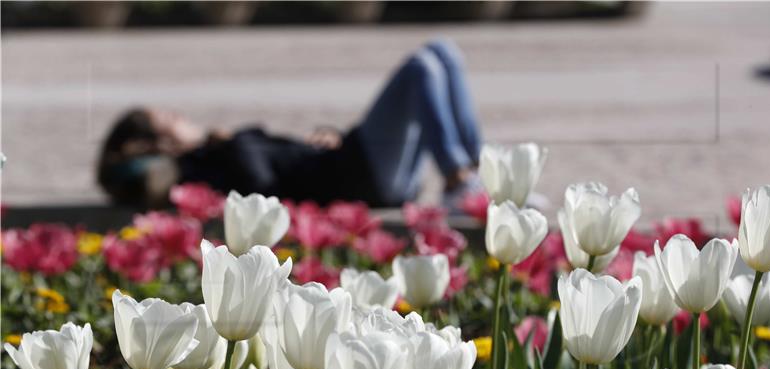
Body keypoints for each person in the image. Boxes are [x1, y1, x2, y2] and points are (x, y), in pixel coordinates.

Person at [97, 39, 482, 209]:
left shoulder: (217, 152)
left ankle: (472, 174)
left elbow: (287, 162)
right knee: (421, 68)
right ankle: (458, 183)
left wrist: (321, 138)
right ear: (160, 144)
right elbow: (268, 188)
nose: (178, 115)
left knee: (442, 52)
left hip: (356, 163)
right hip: (359, 174)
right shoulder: (203, 170)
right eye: (167, 120)